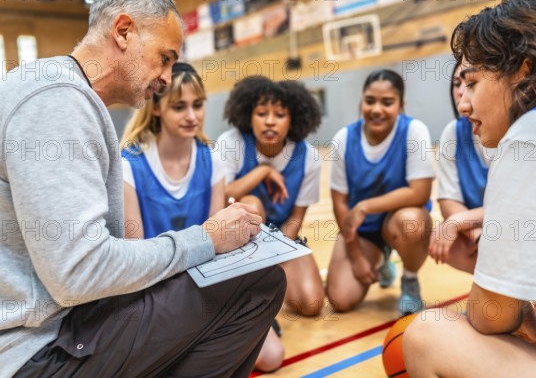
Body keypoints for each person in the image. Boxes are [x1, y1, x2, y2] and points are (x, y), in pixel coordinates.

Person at [0, 0, 285, 377]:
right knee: (259, 282)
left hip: (59, 329)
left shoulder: (55, 91)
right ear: (123, 31)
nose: (167, 78)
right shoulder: (56, 101)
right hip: (36, 353)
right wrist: (205, 238)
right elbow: (80, 274)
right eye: (164, 58)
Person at [404, 0, 536, 378]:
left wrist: (515, 302)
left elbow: (490, 317)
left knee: (427, 335)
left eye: (472, 83)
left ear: (525, 70)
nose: (463, 104)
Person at [216, 76, 324, 372]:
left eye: (280, 114)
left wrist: (276, 259)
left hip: (280, 243)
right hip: (237, 247)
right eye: (262, 113)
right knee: (250, 205)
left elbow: (296, 220)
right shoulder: (233, 143)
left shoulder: (308, 157)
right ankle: (250, 297)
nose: (270, 122)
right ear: (248, 115)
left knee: (313, 305)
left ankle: (268, 287)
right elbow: (222, 195)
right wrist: (262, 170)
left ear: (294, 118)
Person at [326, 69, 434, 316]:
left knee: (413, 222)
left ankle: (409, 280)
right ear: (361, 101)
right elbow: (339, 203)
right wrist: (356, 256)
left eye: (387, 102)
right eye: (370, 101)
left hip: (398, 223)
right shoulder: (343, 139)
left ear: (401, 105)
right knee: (340, 299)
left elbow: (420, 193)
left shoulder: (414, 131)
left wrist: (365, 206)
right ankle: (382, 261)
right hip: (362, 232)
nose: (376, 109)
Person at [121, 62, 225, 239]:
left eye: (198, 105)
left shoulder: (213, 159)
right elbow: (134, 252)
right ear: (155, 108)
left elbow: (218, 240)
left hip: (204, 266)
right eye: (179, 107)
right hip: (151, 266)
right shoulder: (128, 166)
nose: (192, 116)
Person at [428, 61, 496, 273]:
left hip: (515, 229)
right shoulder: (453, 133)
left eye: (471, 83)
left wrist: (458, 221)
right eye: (457, 83)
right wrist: (477, 236)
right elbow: (449, 200)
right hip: (482, 231)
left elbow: (519, 206)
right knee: (431, 234)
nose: (460, 91)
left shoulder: (514, 131)